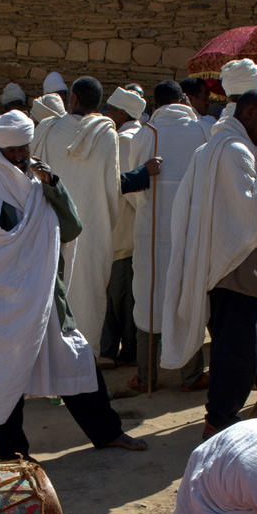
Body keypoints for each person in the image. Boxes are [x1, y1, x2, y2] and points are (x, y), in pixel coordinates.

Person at [0, 110, 146, 461]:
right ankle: (13, 454)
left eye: (24, 148)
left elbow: (72, 228)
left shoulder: (37, 182)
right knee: (8, 371)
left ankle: (108, 432)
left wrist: (53, 186)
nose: (19, 157)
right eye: (12, 151)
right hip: (5, 300)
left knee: (77, 359)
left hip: (46, 294)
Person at [160, 90, 257, 439]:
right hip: (234, 267)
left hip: (247, 263)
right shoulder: (233, 152)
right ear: (249, 113)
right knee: (236, 349)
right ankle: (219, 418)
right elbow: (250, 211)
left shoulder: (226, 148)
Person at [31, 77, 124, 361]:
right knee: (87, 295)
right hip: (92, 231)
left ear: (72, 99)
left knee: (50, 294)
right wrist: (104, 222)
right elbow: (113, 188)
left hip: (52, 228)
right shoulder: (107, 134)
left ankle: (52, 372)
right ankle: (83, 369)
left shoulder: (47, 129)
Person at [124, 81, 208, 391]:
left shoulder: (147, 134)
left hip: (152, 232)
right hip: (190, 231)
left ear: (155, 104)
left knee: (148, 297)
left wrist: (147, 210)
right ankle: (192, 375)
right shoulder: (202, 131)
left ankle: (147, 378)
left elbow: (134, 183)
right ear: (183, 99)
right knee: (188, 296)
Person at [100, 85, 146, 368]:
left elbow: (129, 191)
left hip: (125, 233)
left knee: (121, 298)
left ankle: (122, 351)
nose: (107, 114)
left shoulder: (124, 141)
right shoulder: (135, 137)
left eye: (110, 110)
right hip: (127, 233)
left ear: (120, 113)